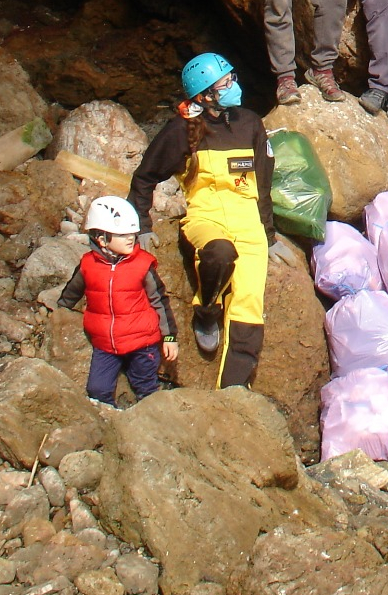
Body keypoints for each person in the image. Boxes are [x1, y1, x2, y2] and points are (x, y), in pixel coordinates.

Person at [129, 53, 277, 389]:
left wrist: (269, 235)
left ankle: (233, 393)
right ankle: (206, 310)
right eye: (225, 84)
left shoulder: (250, 123)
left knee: (249, 307)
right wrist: (142, 225)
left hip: (248, 223)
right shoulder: (181, 131)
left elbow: (263, 185)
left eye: (232, 79)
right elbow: (145, 176)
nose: (233, 87)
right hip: (205, 218)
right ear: (204, 96)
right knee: (220, 253)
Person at [56, 195, 178, 407]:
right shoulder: (88, 265)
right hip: (106, 343)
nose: (131, 238)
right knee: (97, 389)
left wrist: (169, 338)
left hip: (143, 342)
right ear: (102, 239)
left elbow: (160, 300)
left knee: (146, 387)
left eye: (132, 233)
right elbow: (73, 290)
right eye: (123, 235)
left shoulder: (142, 264)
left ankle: (148, 424)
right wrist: (60, 310)